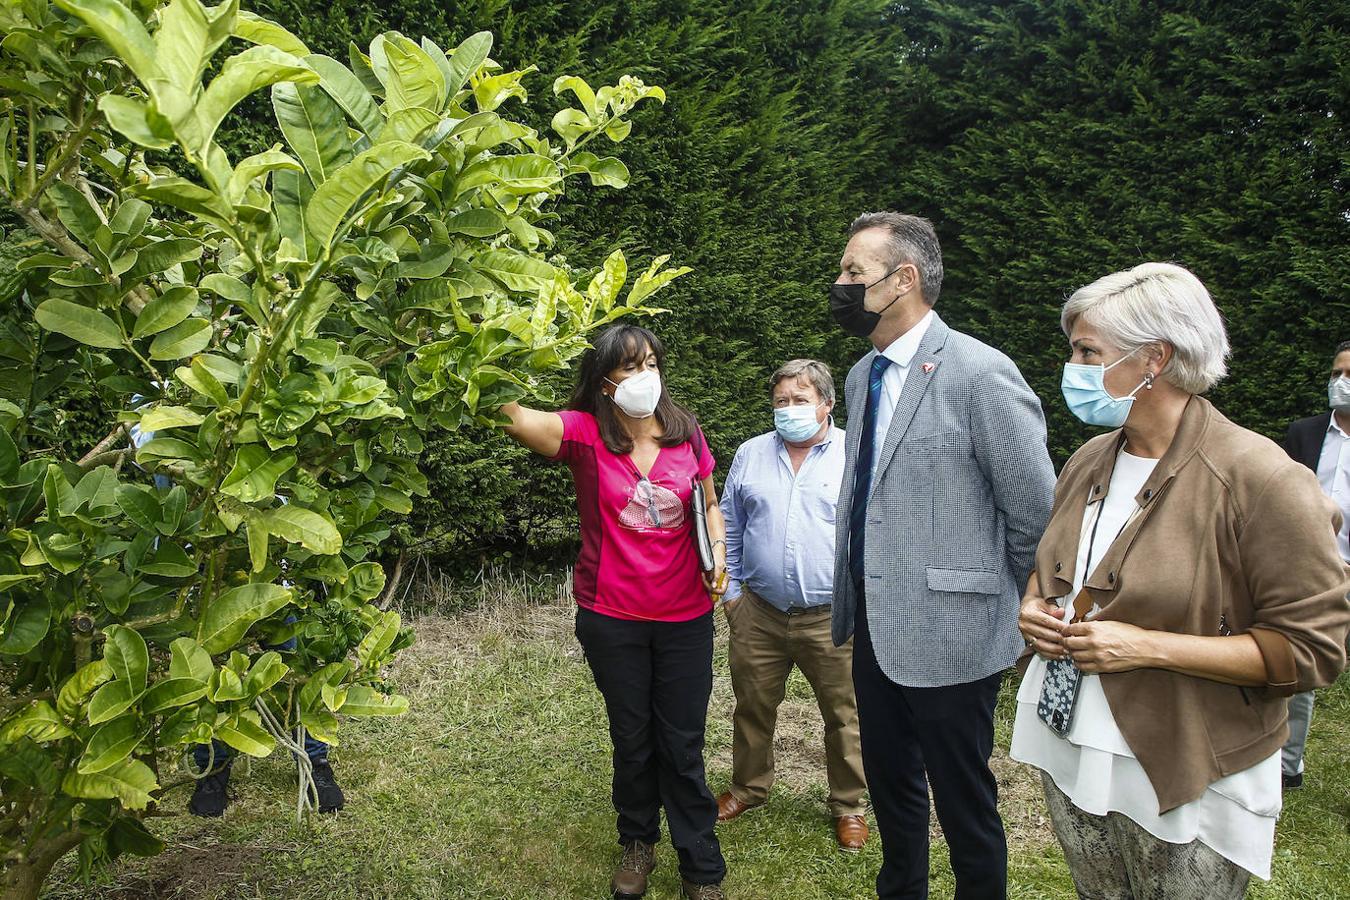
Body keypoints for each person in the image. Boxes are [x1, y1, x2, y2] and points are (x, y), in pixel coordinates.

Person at [1011, 263, 1350, 898]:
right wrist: (1034, 604)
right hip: (1072, 743)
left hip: (1186, 760)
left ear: (1155, 359)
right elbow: (1058, 566)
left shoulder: (1260, 477)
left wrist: (1144, 646)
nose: (1072, 367)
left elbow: (1313, 652)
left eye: (1088, 351)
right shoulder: (1090, 458)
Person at [828, 211, 1056, 899]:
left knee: (963, 800)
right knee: (893, 787)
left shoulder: (983, 375)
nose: (838, 284)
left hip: (954, 631)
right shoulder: (861, 375)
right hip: (874, 625)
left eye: (852, 273)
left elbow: (1035, 511)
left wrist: (1012, 608)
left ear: (906, 279)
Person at [500, 324, 729, 900]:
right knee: (633, 738)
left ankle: (700, 867)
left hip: (684, 619)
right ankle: (637, 841)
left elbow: (708, 502)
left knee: (682, 742)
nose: (643, 377)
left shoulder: (686, 433)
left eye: (651, 363)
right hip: (612, 618)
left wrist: (718, 554)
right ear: (603, 381)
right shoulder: (583, 434)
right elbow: (514, 417)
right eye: (628, 367)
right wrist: (494, 347)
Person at [127, 412, 344, 818]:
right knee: (204, 673)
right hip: (202, 566)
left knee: (290, 663)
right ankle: (215, 767)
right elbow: (146, 451)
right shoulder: (157, 398)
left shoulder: (258, 389)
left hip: (266, 560)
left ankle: (315, 760)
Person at [715, 359, 869, 851]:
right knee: (752, 706)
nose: (788, 410)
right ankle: (747, 787)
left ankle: (849, 805)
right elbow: (731, 525)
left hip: (832, 615)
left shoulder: (857, 453)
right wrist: (732, 593)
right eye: (780, 401)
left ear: (826, 404)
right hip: (758, 611)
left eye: (799, 400)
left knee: (844, 714)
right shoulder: (751, 453)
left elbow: (872, 533)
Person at [1275, 339, 1350, 790]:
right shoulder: (1305, 432)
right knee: (1296, 666)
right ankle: (1289, 765)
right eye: (1337, 373)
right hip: (1312, 571)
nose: (1342, 383)